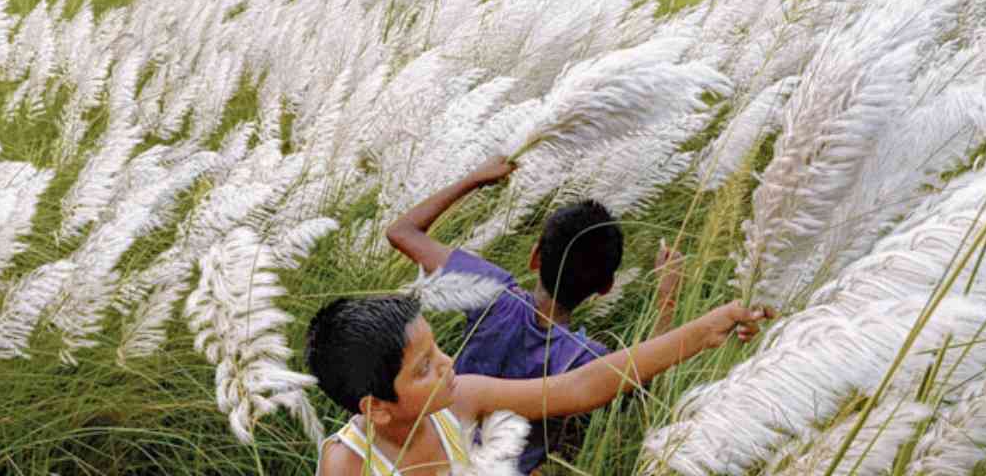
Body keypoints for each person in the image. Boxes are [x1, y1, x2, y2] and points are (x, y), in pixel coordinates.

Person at [384, 156, 684, 473]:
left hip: (423, 460)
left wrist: (474, 179)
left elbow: (402, 232)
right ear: (606, 287)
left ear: (535, 257)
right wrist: (667, 297)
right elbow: (645, 385)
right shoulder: (585, 358)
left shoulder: (493, 293)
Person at [306, 293, 774, 475]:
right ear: (377, 408)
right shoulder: (347, 463)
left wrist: (700, 333)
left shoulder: (461, 401)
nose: (448, 364)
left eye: (437, 351)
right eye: (424, 368)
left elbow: (579, 388)